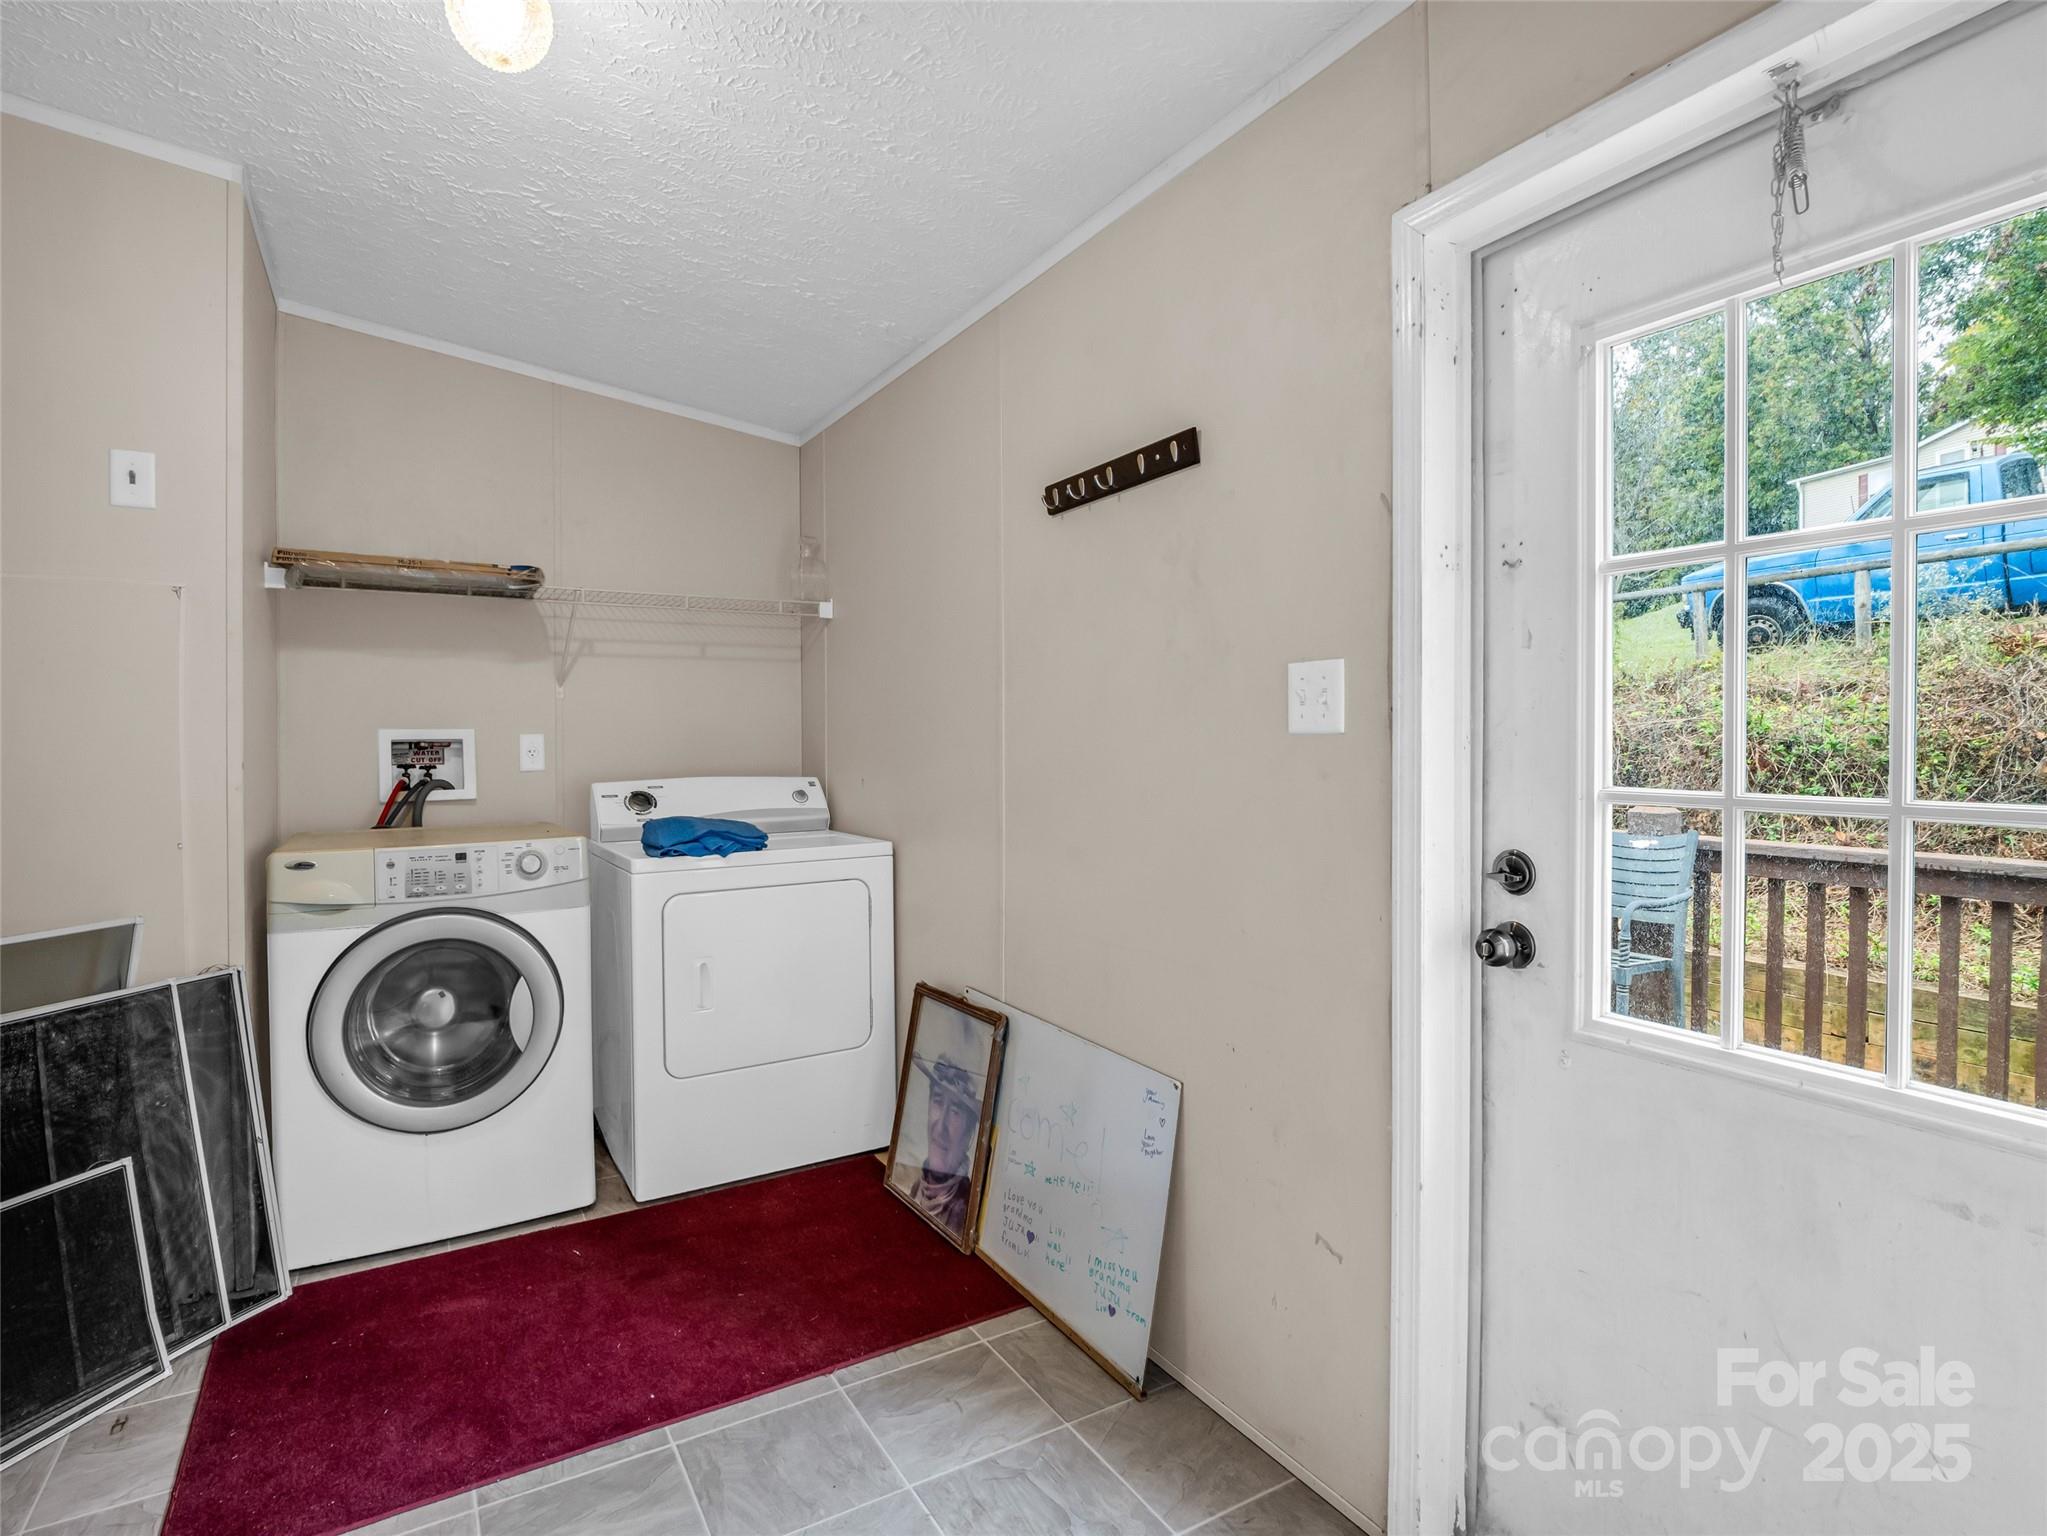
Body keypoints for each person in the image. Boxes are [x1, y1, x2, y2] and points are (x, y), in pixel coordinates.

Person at [905, 1055, 982, 1238]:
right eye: (938, 1101)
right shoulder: (917, 1186)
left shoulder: (963, 1208)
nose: (940, 1127)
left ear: (969, 1132)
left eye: (956, 1111)